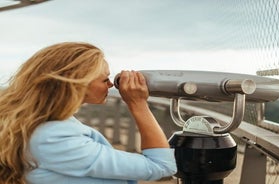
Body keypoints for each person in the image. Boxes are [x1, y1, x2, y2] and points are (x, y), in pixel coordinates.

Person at [0, 42, 177, 184]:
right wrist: (138, 104)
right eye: (104, 79)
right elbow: (160, 166)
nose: (110, 85)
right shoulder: (54, 137)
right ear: (77, 84)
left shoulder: (44, 125)